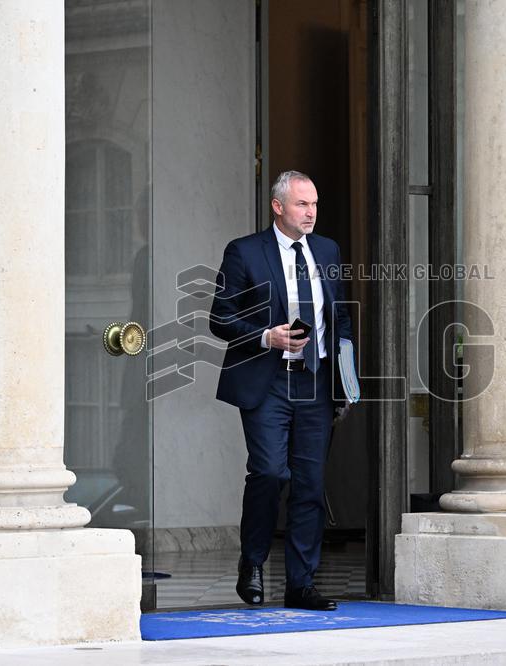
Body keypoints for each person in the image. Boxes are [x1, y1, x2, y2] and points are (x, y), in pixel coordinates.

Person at [209, 170, 354, 611]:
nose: (310, 213)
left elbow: (341, 317)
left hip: (316, 380)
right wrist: (266, 336)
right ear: (278, 207)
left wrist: (346, 375)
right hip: (268, 379)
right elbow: (219, 317)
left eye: (314, 205)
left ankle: (301, 584)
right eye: (301, 205)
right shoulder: (244, 252)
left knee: (309, 484)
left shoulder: (327, 250)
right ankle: (252, 562)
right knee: (271, 473)